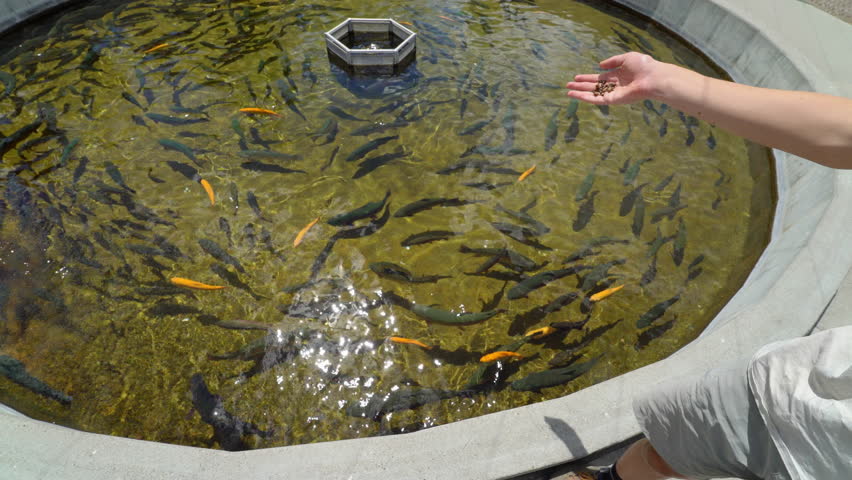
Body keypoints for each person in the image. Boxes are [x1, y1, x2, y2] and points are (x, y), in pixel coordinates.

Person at [563, 52, 852, 480]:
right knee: (676, 436)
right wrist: (666, 82)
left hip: (823, 434)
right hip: (818, 387)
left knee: (682, 436)